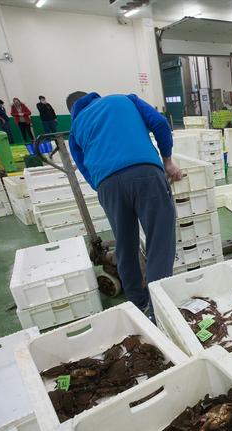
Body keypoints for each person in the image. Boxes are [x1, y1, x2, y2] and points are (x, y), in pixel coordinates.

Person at [66, 91, 182, 314]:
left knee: (125, 245)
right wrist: (167, 160)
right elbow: (159, 123)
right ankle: (160, 309)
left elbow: (84, 169)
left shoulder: (75, 129)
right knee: (159, 240)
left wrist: (106, 186)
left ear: (72, 111)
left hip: (107, 184)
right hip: (146, 172)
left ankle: (138, 305)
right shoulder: (126, 99)